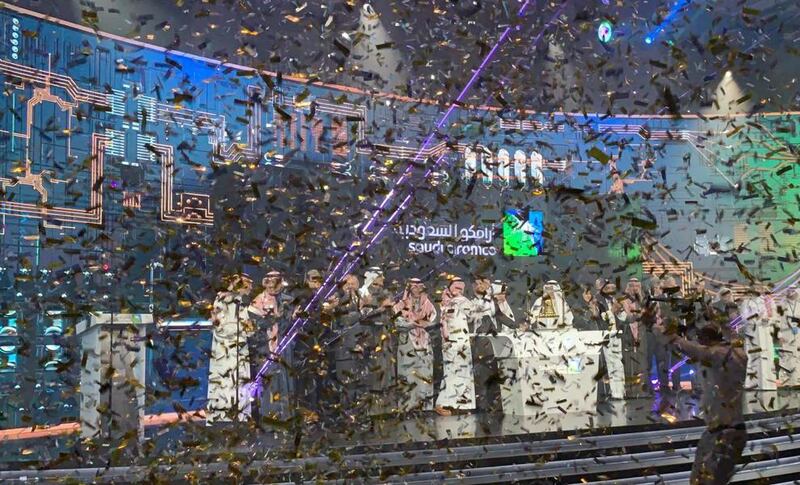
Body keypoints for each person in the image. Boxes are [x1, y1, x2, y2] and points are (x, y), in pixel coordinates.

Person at [653, 309, 747, 484]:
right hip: (718, 432)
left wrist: (669, 335)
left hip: (725, 434)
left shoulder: (718, 354)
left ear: (706, 341)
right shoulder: (738, 352)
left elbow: (694, 350)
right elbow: (729, 337)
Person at [292, 269, 339, 423]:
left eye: (319, 279)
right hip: (305, 347)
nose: (316, 282)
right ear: (307, 280)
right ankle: (307, 415)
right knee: (305, 382)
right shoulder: (303, 298)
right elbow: (303, 324)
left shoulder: (325, 297)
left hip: (322, 346)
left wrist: (331, 311)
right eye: (313, 279)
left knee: (322, 380)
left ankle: (322, 414)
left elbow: (328, 325)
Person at [206, 273, 254, 423]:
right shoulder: (222, 301)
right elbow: (221, 328)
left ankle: (240, 417)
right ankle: (223, 419)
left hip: (239, 353)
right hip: (226, 353)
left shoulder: (241, 304)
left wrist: (248, 328)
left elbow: (249, 330)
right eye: (247, 284)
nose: (250, 288)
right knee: (225, 385)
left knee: (239, 384)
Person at [248, 270, 294, 421]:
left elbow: (288, 324)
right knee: (269, 383)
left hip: (284, 346)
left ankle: (285, 416)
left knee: (285, 381)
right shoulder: (257, 302)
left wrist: (285, 317)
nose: (273, 288)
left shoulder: (286, 300)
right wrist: (272, 320)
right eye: (270, 284)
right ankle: (269, 418)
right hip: (265, 348)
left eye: (276, 284)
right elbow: (256, 326)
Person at [394, 278, 437, 412]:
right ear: (409, 289)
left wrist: (426, 324)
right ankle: (407, 408)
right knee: (407, 376)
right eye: (414, 287)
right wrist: (412, 324)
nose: (417, 290)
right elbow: (397, 323)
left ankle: (425, 408)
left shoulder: (429, 305)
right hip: (407, 343)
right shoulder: (400, 305)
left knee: (425, 375)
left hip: (424, 344)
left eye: (420, 287)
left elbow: (434, 321)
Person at [435, 277, 476, 416]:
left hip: (462, 341)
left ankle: (461, 405)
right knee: (451, 371)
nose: (458, 290)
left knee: (464, 372)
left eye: (461, 288)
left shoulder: (463, 301)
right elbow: (442, 323)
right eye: (455, 287)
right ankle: (442, 403)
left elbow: (473, 316)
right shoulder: (445, 303)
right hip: (450, 341)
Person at [358, 267, 396, 412]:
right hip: (368, 339)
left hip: (384, 338)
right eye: (375, 284)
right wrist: (380, 309)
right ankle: (372, 410)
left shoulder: (385, 295)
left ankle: (387, 407)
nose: (378, 288)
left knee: (387, 370)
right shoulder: (362, 294)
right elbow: (362, 317)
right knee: (373, 373)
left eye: (380, 285)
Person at [620, 277, 649, 398]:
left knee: (642, 363)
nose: (635, 289)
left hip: (641, 333)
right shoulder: (623, 300)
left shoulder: (643, 300)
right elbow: (625, 318)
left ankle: (641, 391)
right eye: (632, 286)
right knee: (629, 363)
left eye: (637, 286)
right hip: (628, 334)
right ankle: (630, 391)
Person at [778, 287, 800, 387]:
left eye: (793, 291)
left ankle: (796, 380)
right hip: (785, 334)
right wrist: (779, 335)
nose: (792, 293)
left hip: (798, 334)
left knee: (797, 356)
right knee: (785, 356)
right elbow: (777, 321)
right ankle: (784, 380)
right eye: (789, 291)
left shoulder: (799, 305)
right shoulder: (781, 306)